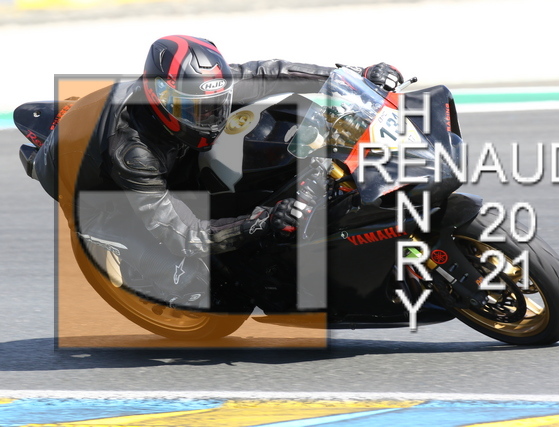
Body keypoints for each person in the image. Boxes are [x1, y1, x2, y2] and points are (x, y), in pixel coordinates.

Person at [33, 35, 404, 309]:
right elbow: (183, 234)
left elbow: (272, 73)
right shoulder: (133, 155)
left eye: (216, 105)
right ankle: (127, 256)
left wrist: (355, 76)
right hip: (96, 194)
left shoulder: (198, 87)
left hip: (149, 145)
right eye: (198, 111)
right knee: (205, 286)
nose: (211, 118)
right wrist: (259, 223)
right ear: (162, 100)